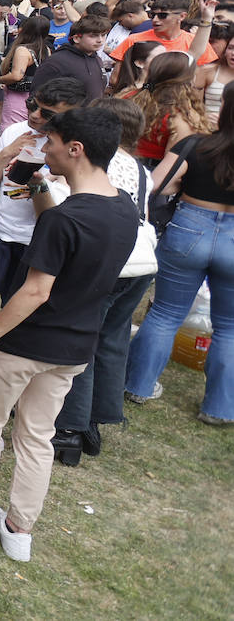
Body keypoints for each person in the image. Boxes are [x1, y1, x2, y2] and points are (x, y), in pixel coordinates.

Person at [0, 107, 138, 564]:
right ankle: (19, 530)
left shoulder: (65, 220)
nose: (46, 149)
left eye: (52, 142)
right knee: (37, 436)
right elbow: (74, 242)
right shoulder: (123, 210)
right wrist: (38, 185)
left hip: (25, 344)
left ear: (75, 149)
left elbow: (36, 290)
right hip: (76, 346)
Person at [51, 98, 157, 462]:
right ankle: (98, 418)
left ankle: (70, 429)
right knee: (112, 340)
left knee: (81, 340)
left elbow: (74, 209)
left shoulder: (96, 165)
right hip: (143, 261)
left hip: (111, 260)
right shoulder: (142, 170)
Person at [125, 83, 234, 425]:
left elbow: (157, 184)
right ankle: (219, 408)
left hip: (189, 227)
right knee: (229, 327)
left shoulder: (195, 145)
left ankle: (137, 386)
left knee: (166, 314)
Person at [0, 78, 87, 307]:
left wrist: (39, 184)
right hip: (7, 234)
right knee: (6, 302)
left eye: (47, 114)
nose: (35, 115)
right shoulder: (16, 132)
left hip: (42, 243)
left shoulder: (75, 148)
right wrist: (6, 153)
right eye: (32, 105)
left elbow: (59, 213)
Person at [132, 51, 213, 167]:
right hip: (151, 177)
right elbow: (170, 171)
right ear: (189, 80)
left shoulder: (131, 99)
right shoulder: (179, 119)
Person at [31, 15, 110, 103]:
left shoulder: (96, 58)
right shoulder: (57, 61)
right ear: (76, 38)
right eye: (93, 36)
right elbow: (36, 95)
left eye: (103, 35)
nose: (100, 40)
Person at [0, 15, 53, 127]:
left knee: (13, 128)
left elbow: (16, 76)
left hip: (18, 96)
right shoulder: (46, 49)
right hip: (36, 95)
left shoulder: (23, 50)